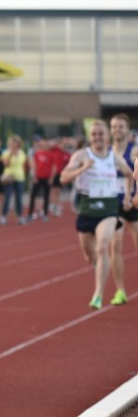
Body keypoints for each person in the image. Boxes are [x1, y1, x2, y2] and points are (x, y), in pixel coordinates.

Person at [58, 119, 133, 309]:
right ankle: (101, 270)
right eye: (94, 134)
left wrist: (127, 198)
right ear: (90, 137)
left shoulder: (113, 158)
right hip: (87, 209)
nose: (98, 137)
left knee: (102, 247)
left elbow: (129, 173)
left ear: (107, 136)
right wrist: (83, 168)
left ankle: (98, 295)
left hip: (108, 209)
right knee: (90, 256)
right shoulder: (82, 155)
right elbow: (63, 177)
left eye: (101, 134)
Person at [109, 113, 136, 304]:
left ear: (127, 129)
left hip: (133, 203)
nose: (117, 130)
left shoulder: (134, 151)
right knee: (115, 246)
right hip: (114, 204)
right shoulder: (106, 152)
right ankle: (120, 291)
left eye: (121, 127)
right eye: (114, 127)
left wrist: (134, 196)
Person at [0, 135, 27, 224]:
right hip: (9, 177)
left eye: (15, 143)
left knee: (19, 198)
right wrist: (11, 154)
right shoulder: (6, 153)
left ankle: (19, 216)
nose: (14, 145)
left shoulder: (22, 153)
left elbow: (23, 165)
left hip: (19, 177)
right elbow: (6, 164)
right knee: (7, 197)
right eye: (12, 143)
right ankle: (3, 215)